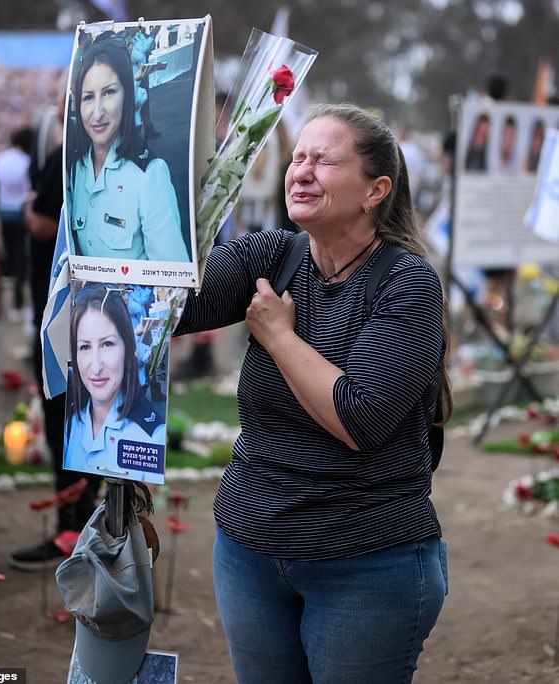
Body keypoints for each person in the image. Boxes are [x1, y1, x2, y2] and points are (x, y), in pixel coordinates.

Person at [174, 102, 451, 683]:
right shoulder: (271, 255)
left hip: (365, 565)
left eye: (322, 161)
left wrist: (278, 335)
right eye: (297, 157)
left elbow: (361, 418)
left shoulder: (407, 283)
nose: (299, 171)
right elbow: (172, 307)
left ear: (375, 190)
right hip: (248, 550)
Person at [8, 116, 102, 572]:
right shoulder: (119, 154)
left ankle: (74, 529)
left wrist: (28, 207)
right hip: (104, 310)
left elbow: (44, 225)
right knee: (91, 419)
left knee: (65, 419)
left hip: (64, 311)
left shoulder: (64, 157)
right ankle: (89, 526)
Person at [66, 33, 189, 262]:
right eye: (88, 97)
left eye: (109, 92)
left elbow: (173, 282)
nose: (98, 112)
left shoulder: (150, 176)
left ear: (128, 95)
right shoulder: (74, 171)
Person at [64, 283, 165, 476]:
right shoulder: (72, 423)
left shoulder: (152, 436)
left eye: (107, 344)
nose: (96, 366)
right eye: (84, 347)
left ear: (129, 347)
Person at [0, 126, 33, 316]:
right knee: (19, 259)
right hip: (19, 214)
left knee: (1, 258)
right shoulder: (26, 161)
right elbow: (28, 189)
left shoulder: (1, 158)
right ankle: (17, 303)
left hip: (1, 213)